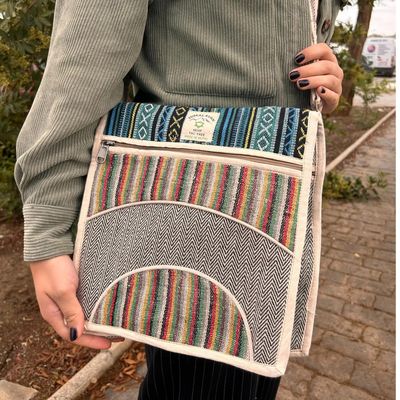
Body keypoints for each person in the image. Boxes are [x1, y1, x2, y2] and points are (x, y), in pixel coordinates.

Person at [14, 0, 345, 398]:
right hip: (192, 208)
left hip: (278, 201)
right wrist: (47, 228)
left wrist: (322, 79)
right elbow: (83, 60)